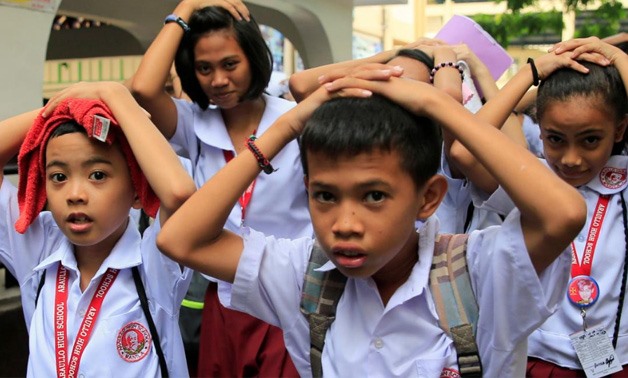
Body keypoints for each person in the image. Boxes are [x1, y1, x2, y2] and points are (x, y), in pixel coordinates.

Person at [157, 52, 587, 377]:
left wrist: (437, 106)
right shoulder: (304, 276)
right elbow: (181, 240)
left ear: (429, 197)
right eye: (324, 195)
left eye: (375, 196)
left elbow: (563, 213)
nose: (345, 223)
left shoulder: (479, 271)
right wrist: (288, 125)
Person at [129, 0, 311, 376]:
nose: (218, 81)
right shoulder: (192, 125)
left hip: (290, 295)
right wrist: (187, 7)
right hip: (223, 298)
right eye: (204, 68)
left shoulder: (296, 122)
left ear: (255, 59)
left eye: (230, 64)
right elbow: (144, 89)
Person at [0, 81, 196, 377]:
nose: (75, 193)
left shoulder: (156, 261)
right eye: (58, 176)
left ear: (136, 191)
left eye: (98, 175)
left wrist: (114, 95)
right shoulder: (37, 247)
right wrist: (65, 107)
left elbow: (179, 193)